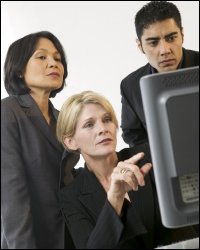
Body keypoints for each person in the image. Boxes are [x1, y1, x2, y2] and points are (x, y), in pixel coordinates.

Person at [56, 90, 197, 249]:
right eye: (89, 124)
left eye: (107, 119)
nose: (103, 129)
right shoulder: (71, 197)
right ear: (70, 142)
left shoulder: (150, 155)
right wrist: (115, 198)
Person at [1, 31, 79, 249]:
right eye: (42, 57)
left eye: (57, 58)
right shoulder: (7, 111)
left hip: (69, 237)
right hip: (30, 239)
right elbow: (11, 195)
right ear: (18, 70)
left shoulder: (63, 118)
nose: (53, 63)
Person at [121, 1, 199, 147]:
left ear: (182, 35)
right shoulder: (130, 85)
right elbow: (132, 133)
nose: (165, 50)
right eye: (153, 42)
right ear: (140, 46)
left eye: (171, 38)